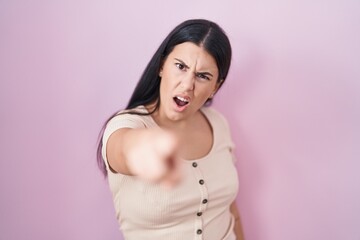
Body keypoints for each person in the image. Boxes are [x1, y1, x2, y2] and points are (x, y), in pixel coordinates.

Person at [97, 19, 244, 240]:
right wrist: (148, 150)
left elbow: (231, 211)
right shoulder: (125, 126)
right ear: (161, 66)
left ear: (215, 87)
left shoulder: (218, 123)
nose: (187, 85)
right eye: (180, 66)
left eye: (203, 76)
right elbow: (124, 148)